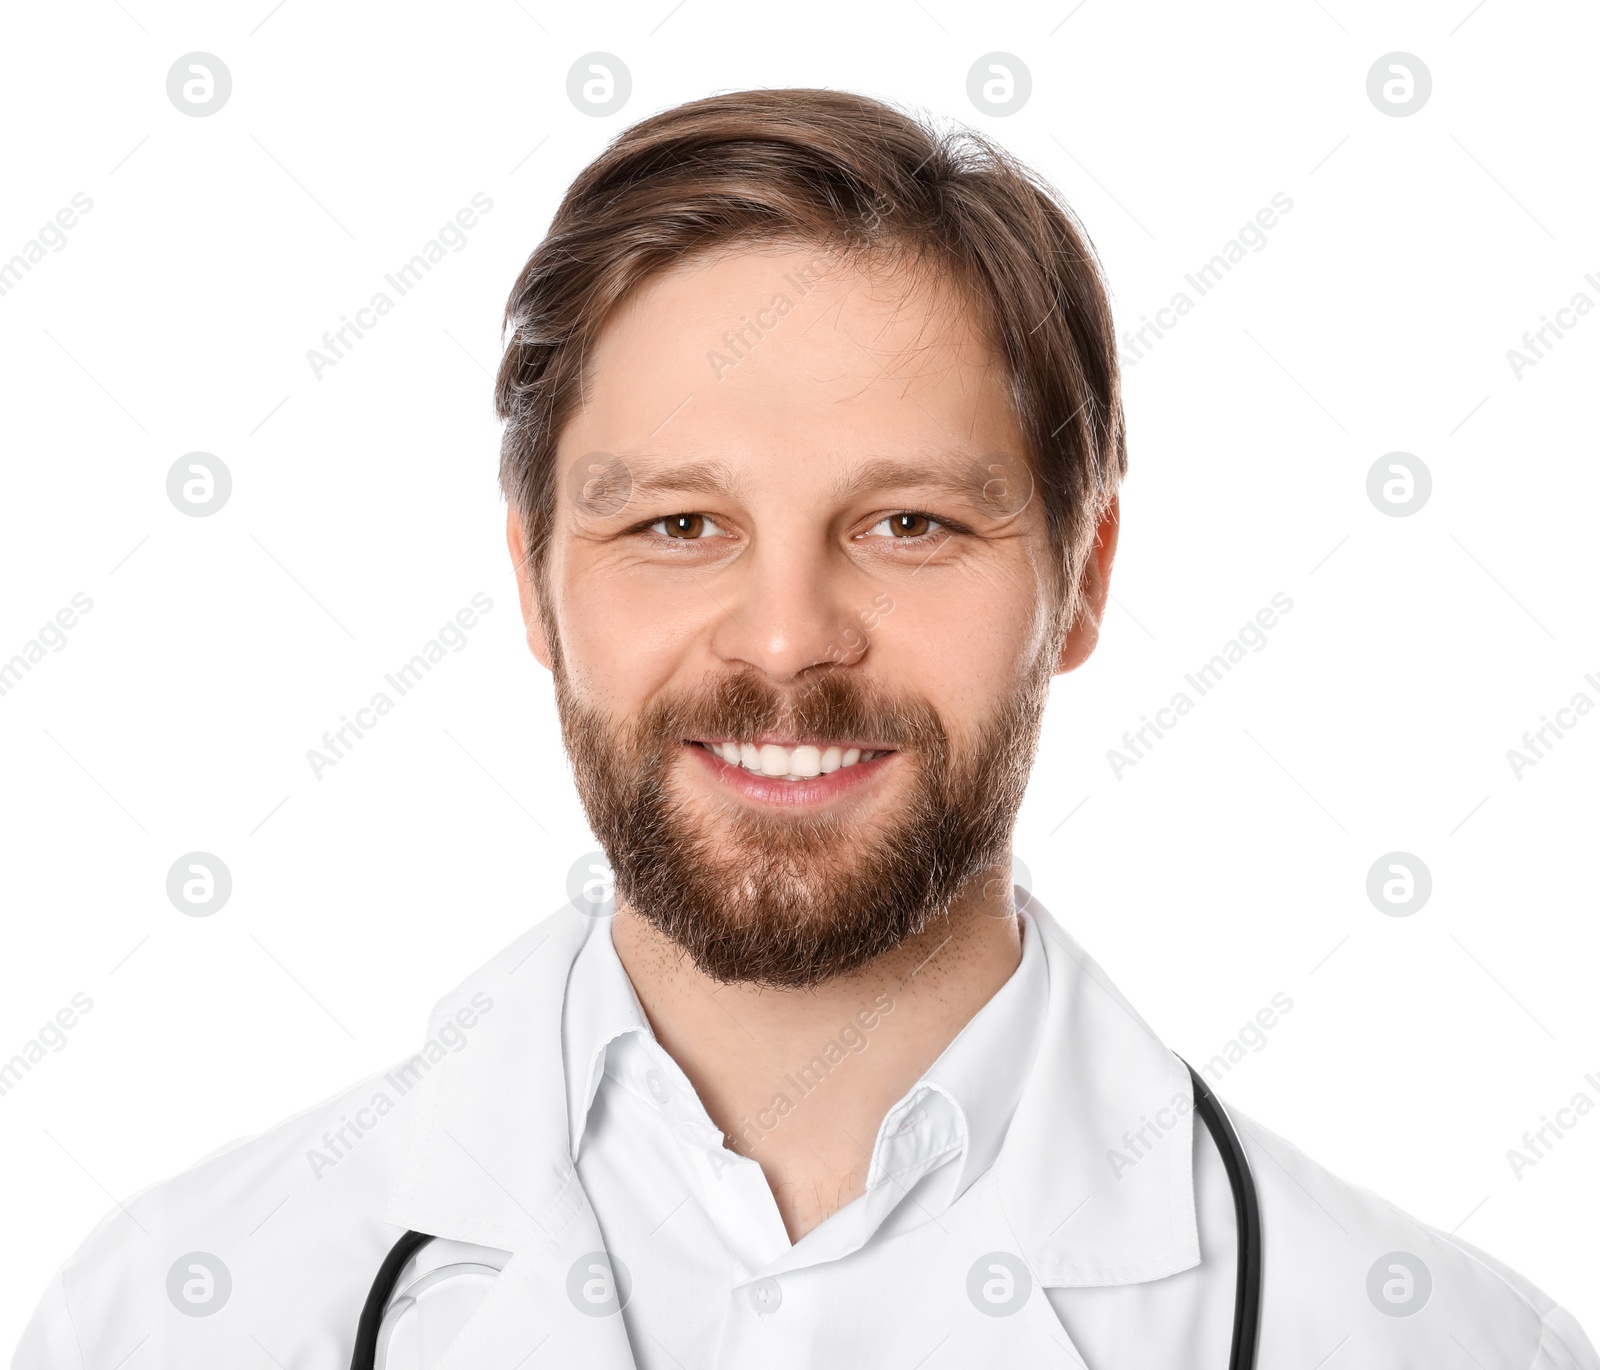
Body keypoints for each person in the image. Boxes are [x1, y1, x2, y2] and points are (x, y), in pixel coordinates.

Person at [13, 88, 1595, 1370]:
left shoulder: (1438, 1341)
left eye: (907, 524)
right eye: (680, 526)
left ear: (1085, 575)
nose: (787, 640)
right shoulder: (169, 1315)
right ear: (534, 583)